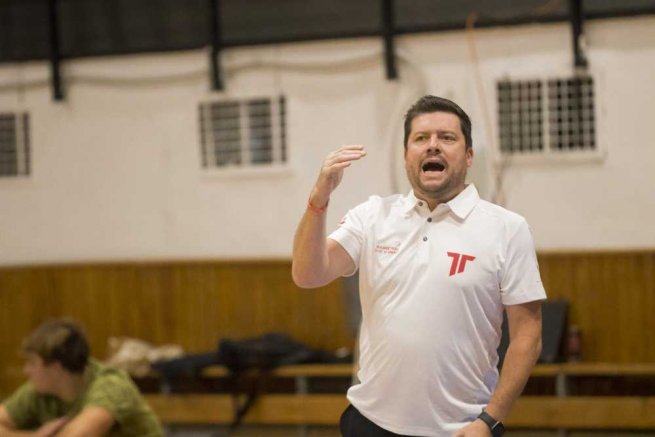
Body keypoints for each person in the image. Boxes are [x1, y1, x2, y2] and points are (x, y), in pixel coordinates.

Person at [292, 95, 546, 437]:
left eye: (447, 137)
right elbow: (307, 274)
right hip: (369, 423)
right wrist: (318, 198)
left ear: (469, 156)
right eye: (421, 139)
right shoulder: (372, 216)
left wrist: (490, 420)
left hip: (461, 429)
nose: (433, 146)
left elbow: (528, 335)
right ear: (406, 155)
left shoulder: (507, 228)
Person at [0, 319, 163, 437]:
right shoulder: (39, 389)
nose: (26, 371)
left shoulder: (110, 384)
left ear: (56, 367)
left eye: (32, 363)